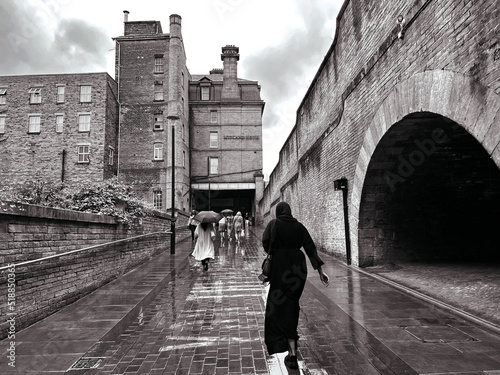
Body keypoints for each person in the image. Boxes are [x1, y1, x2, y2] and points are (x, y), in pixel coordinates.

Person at [262, 202, 329, 369]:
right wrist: (320, 272)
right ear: (290, 212)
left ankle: (282, 344)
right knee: (292, 305)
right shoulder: (299, 227)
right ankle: (292, 352)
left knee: (277, 306)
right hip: (298, 269)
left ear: (278, 212)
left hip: (279, 269)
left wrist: (277, 249)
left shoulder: (274, 224)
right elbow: (310, 248)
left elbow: (265, 243)